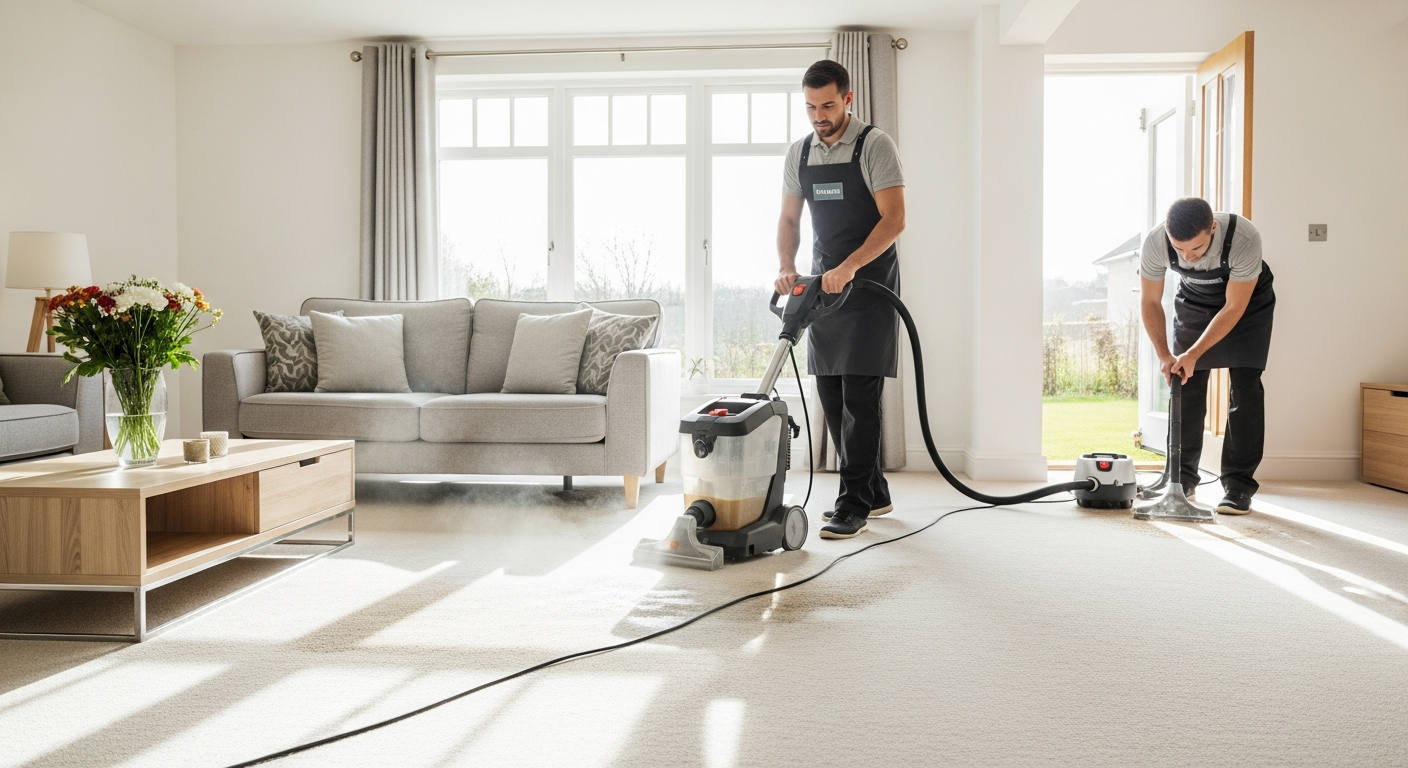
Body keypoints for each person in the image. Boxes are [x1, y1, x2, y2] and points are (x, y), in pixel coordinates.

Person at [775, 60, 906, 539]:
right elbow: (790, 220)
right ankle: (875, 489)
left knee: (860, 397)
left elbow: (893, 219)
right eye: (810, 107)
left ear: (848, 99)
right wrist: (788, 266)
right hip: (824, 289)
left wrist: (851, 266)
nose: (818, 116)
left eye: (827, 105)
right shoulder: (800, 153)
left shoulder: (875, 145)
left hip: (868, 285)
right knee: (831, 395)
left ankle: (853, 503)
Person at [1139, 197, 1276, 515]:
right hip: (1194, 302)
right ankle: (1181, 478)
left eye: (1196, 249)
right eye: (1179, 249)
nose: (1187, 257)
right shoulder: (1156, 243)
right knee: (1183, 381)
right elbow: (1149, 302)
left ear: (1212, 228)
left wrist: (1194, 352)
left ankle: (1238, 486)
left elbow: (1233, 307)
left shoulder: (1243, 238)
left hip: (1246, 305)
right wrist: (1166, 355)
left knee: (1246, 385)